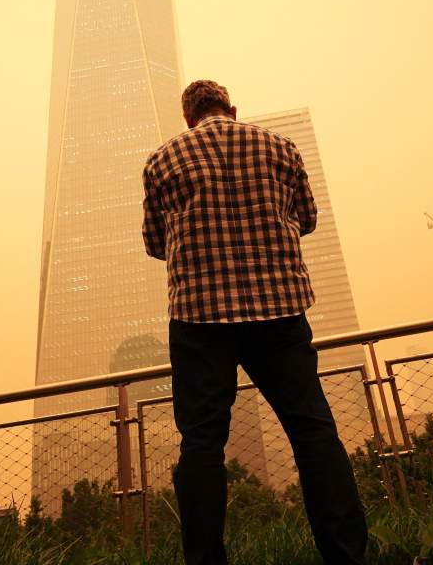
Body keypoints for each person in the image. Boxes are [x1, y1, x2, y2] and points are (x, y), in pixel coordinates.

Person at [141, 80, 368, 565]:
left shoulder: (163, 159)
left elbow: (155, 243)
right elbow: (306, 219)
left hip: (200, 318)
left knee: (202, 445)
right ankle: (346, 556)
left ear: (188, 117)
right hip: (279, 311)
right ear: (232, 109)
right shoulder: (278, 146)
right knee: (312, 431)